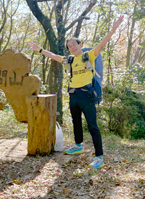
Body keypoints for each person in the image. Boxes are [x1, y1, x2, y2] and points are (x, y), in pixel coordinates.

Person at [29, 15, 124, 169]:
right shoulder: (70, 60)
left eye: (74, 44)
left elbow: (103, 42)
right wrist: (39, 49)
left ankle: (99, 157)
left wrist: (114, 28)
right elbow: (53, 56)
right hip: (74, 95)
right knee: (76, 122)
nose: (72, 47)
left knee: (92, 125)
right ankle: (78, 145)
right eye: (69, 46)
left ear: (80, 44)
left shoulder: (89, 55)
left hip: (87, 94)